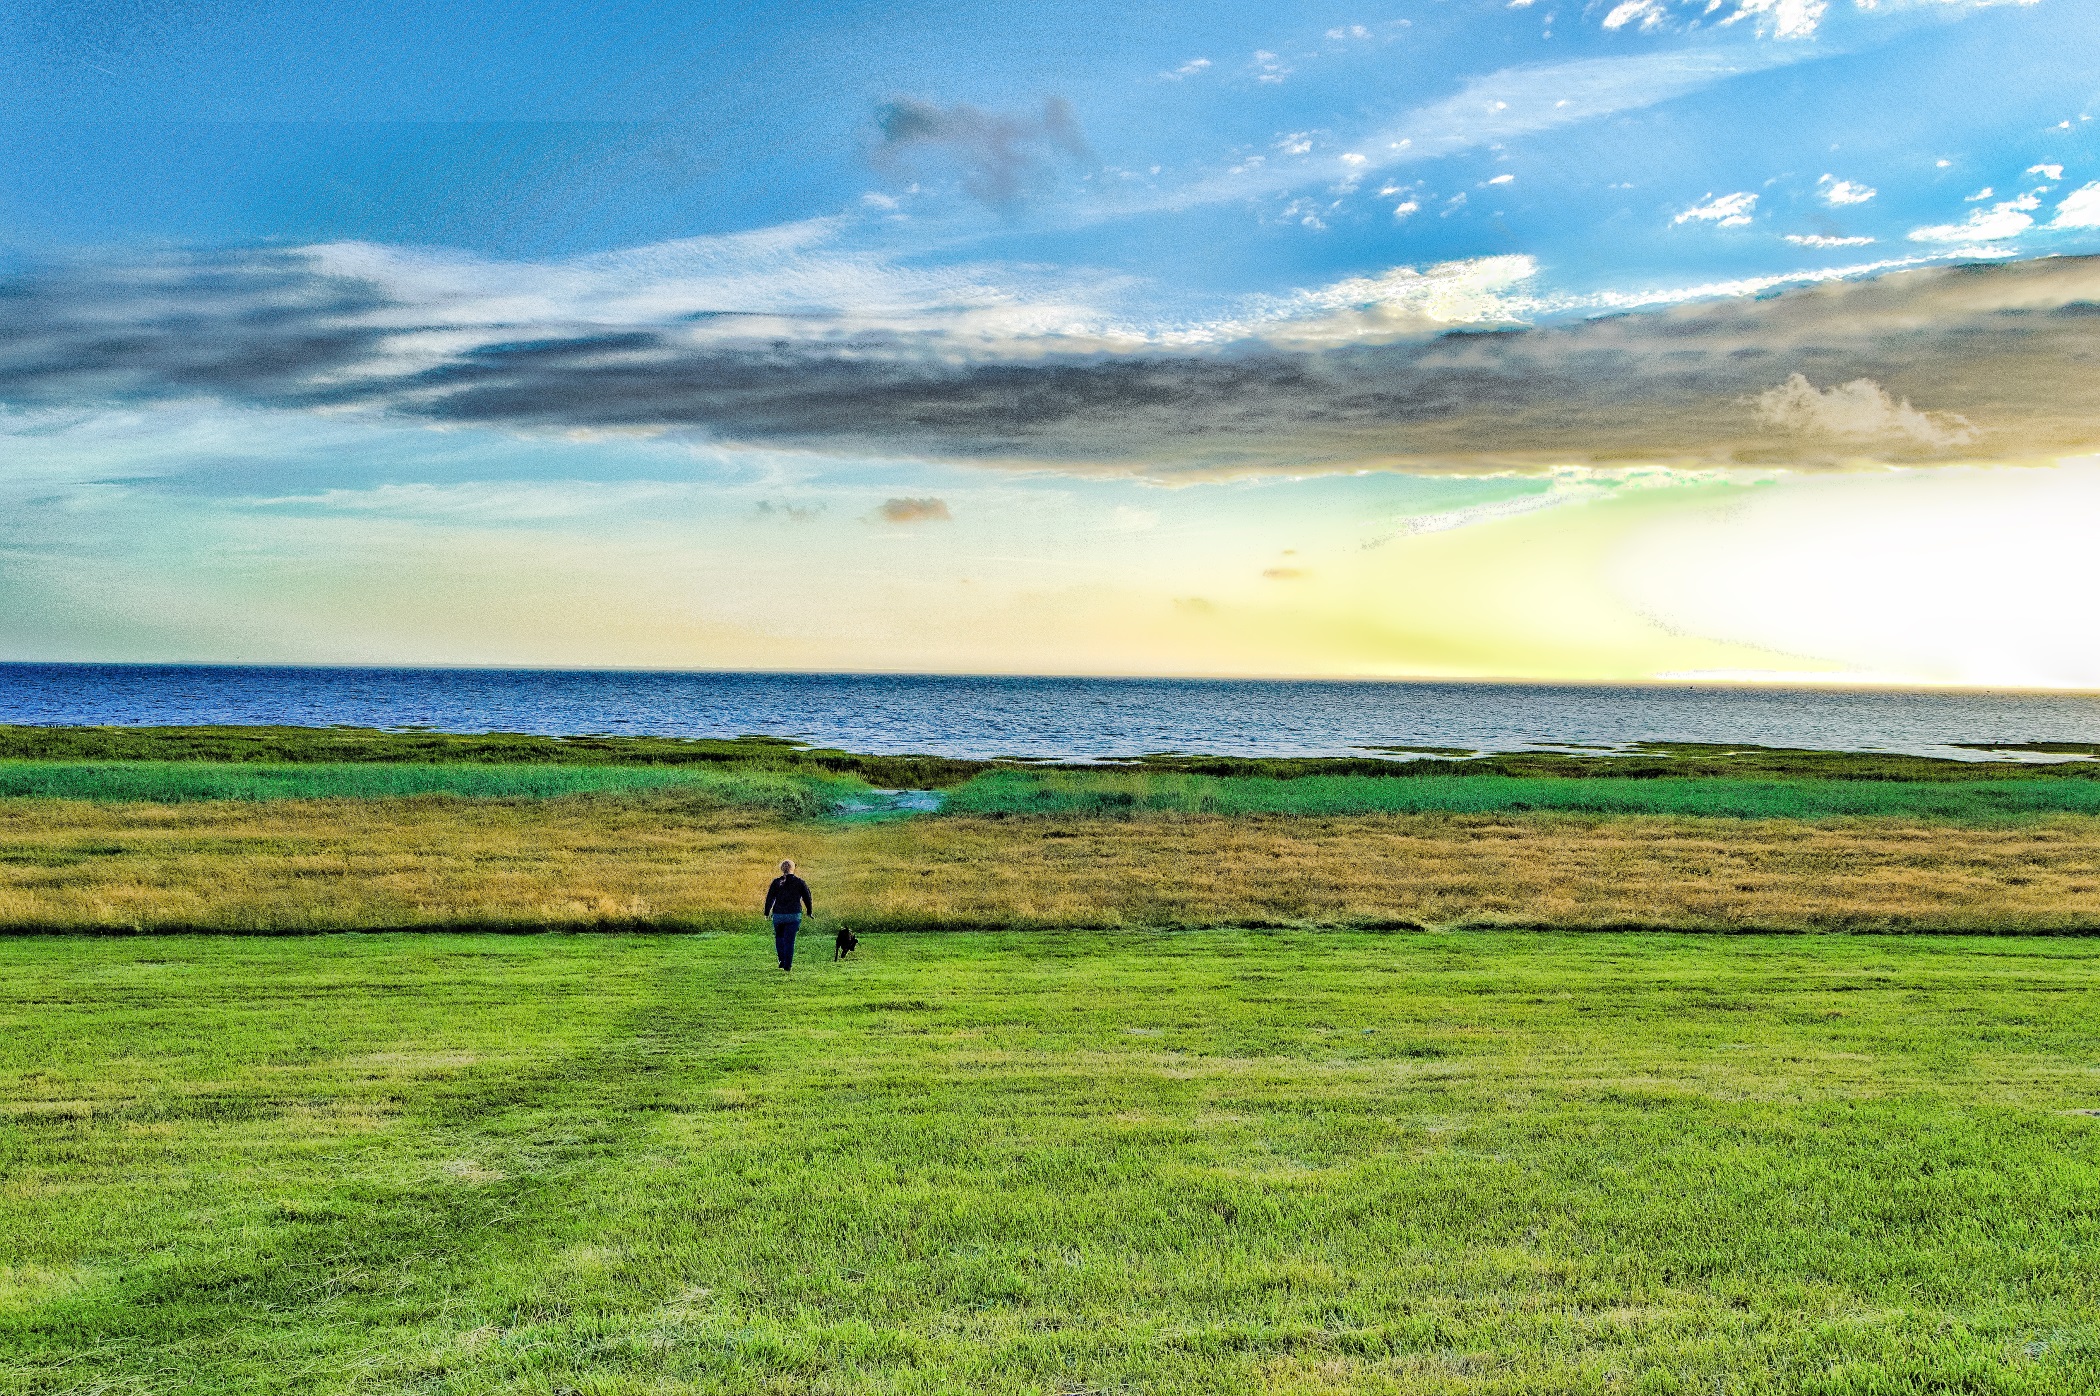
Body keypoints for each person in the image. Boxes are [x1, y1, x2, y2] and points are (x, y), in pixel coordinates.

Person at [763, 859, 813, 971]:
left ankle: (782, 960)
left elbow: (770, 898)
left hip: (779, 915)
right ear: (793, 868)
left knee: (779, 938)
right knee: (789, 941)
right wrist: (809, 911)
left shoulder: (776, 882)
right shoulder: (800, 882)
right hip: (794, 915)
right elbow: (807, 898)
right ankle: (787, 965)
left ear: (782, 869)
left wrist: (767, 912)